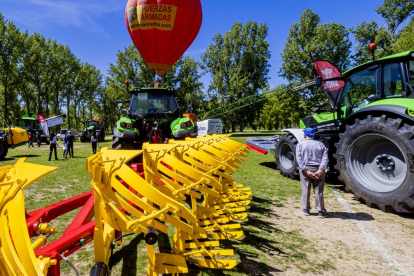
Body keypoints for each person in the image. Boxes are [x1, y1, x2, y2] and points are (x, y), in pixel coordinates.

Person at [295, 127, 329, 218]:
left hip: (305, 169)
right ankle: (321, 210)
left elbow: (299, 160)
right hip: (318, 168)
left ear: (304, 135)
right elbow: (325, 158)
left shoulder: (300, 145)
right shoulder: (321, 145)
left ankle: (306, 209)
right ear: (314, 135)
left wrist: (306, 171)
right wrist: (320, 170)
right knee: (319, 190)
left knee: (306, 189)